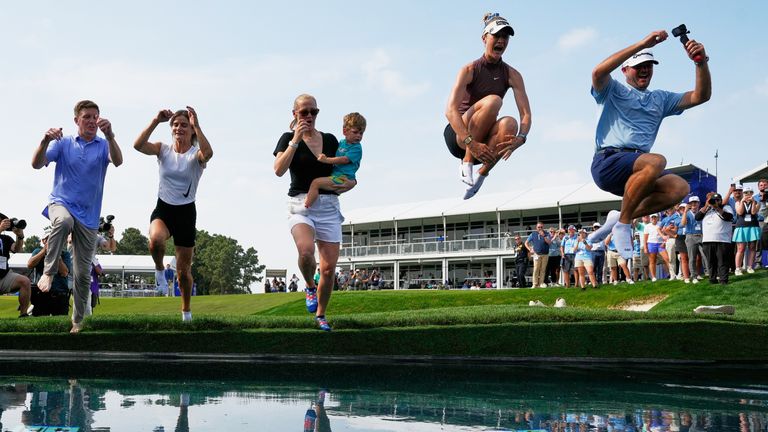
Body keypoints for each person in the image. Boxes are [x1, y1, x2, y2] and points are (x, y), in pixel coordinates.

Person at [587, 31, 711, 259]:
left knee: (679, 188)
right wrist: (642, 43)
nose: (645, 69)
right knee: (656, 161)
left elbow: (700, 96)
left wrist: (700, 63)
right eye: (639, 66)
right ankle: (625, 223)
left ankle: (619, 217)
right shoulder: (612, 90)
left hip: (638, 171)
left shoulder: (660, 99)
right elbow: (598, 72)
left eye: (649, 65)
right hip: (608, 162)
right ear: (625, 70)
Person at [31, 100, 123, 333]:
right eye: (87, 117)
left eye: (95, 117)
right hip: (60, 202)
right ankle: (49, 272)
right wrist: (44, 141)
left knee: (82, 276)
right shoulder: (63, 143)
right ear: (77, 121)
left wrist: (111, 136)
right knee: (63, 221)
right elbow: (36, 164)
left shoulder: (103, 145)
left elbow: (119, 161)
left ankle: (78, 322)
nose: (92, 121)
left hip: (89, 217)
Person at [274, 94, 355, 331]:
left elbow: (348, 175)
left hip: (329, 206)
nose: (309, 116)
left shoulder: (330, 140)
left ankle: (321, 314)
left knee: (329, 269)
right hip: (301, 205)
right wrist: (296, 139)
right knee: (306, 253)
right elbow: (278, 170)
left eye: (313, 112)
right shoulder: (288, 138)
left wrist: (344, 183)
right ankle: (310, 285)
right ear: (295, 115)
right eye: (304, 112)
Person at [134, 107, 213, 322]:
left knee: (183, 272)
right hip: (164, 209)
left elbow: (208, 154)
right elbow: (138, 145)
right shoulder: (163, 150)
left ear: (191, 130)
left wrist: (197, 125)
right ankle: (160, 270)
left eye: (184, 125)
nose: (179, 128)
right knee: (155, 241)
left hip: (186, 213)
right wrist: (155, 120)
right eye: (176, 124)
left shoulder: (195, 155)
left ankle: (186, 311)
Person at [445, 12, 532, 199]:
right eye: (497, 36)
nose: (501, 40)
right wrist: (470, 143)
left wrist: (521, 138)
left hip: (483, 141)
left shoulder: (512, 74)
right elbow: (450, 111)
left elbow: (525, 114)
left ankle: (481, 176)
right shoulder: (469, 69)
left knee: (511, 123)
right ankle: (466, 163)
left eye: (505, 37)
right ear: (485, 38)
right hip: (459, 135)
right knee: (494, 100)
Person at [302, 113, 365, 211]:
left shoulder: (356, 148)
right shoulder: (341, 143)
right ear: (345, 131)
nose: (359, 136)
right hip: (336, 176)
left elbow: (345, 159)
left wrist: (326, 160)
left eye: (361, 133)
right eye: (355, 132)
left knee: (316, 183)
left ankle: (305, 207)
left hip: (343, 178)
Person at [27, 233, 72, 316]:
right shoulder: (37, 251)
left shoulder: (65, 254)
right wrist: (43, 251)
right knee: (40, 322)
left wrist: (56, 255)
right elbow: (30, 265)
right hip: (41, 294)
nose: (52, 241)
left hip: (60, 294)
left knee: (60, 324)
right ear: (43, 241)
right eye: (49, 239)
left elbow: (64, 272)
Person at [696, 192, 734, 284]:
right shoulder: (706, 210)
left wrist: (717, 208)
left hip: (723, 240)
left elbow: (728, 217)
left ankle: (723, 280)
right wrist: (706, 206)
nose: (715, 202)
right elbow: (697, 217)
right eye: (714, 200)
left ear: (721, 201)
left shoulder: (726, 208)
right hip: (707, 240)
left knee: (722, 262)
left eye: (718, 200)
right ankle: (712, 279)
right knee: (710, 262)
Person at [0, 215, 32, 316]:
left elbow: (17, 249)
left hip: (4, 275)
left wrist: (20, 236)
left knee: (25, 281)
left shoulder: (6, 238)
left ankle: (24, 314)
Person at [733, 186, 761, 275]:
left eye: (749, 192)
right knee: (741, 248)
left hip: (753, 226)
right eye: (745, 193)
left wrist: (753, 202)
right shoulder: (738, 202)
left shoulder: (757, 202)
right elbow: (740, 212)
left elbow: (753, 212)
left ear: (752, 193)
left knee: (752, 247)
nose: (747, 194)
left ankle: (749, 267)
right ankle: (738, 268)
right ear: (743, 194)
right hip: (741, 227)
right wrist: (742, 201)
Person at [681, 196, 706, 283]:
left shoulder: (701, 212)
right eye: (692, 203)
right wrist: (685, 211)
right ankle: (694, 276)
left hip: (701, 235)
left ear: (699, 204)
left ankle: (709, 273)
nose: (694, 204)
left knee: (705, 255)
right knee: (692, 257)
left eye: (695, 203)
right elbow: (683, 224)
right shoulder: (687, 213)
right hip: (690, 236)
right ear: (689, 204)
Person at [525, 222, 551, 288]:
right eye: (538, 227)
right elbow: (526, 243)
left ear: (543, 227)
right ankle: (535, 284)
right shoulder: (533, 234)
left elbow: (549, 242)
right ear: (536, 228)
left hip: (545, 254)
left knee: (543, 269)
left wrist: (544, 236)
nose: (540, 228)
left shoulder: (547, 234)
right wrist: (530, 249)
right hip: (537, 254)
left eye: (541, 227)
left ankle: (541, 283)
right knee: (536, 269)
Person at [643, 213, 664, 282]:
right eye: (652, 217)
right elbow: (645, 238)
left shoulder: (661, 224)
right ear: (650, 218)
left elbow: (664, 234)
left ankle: (670, 275)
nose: (653, 219)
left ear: (657, 218)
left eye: (655, 217)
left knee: (665, 259)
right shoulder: (647, 226)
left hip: (660, 244)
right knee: (652, 261)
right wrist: (645, 248)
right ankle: (653, 277)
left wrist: (664, 242)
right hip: (651, 244)